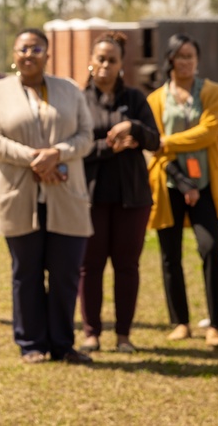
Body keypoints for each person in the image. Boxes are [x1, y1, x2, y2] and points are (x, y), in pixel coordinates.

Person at [0, 28, 94, 364]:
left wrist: (57, 153)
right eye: (22, 49)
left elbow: (85, 136)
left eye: (36, 48)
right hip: (19, 196)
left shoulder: (69, 90)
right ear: (13, 55)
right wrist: (35, 158)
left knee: (65, 272)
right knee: (26, 271)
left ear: (47, 53)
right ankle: (31, 343)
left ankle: (62, 343)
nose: (28, 54)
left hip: (65, 196)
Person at [78, 31, 159, 354]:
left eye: (112, 60)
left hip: (132, 198)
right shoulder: (80, 101)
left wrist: (133, 128)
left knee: (127, 266)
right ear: (91, 61)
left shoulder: (136, 99)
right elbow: (77, 148)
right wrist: (112, 146)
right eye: (101, 58)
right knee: (90, 266)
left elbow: (154, 141)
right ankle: (91, 333)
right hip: (92, 197)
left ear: (121, 64)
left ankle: (124, 335)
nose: (105, 65)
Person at [146, 34, 218, 347]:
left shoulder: (212, 92)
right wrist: (182, 180)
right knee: (170, 256)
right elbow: (155, 145)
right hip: (169, 184)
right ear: (169, 59)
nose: (186, 62)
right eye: (180, 56)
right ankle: (180, 321)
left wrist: (169, 142)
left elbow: (208, 133)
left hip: (205, 184)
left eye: (191, 56)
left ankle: (215, 325)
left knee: (210, 249)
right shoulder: (155, 99)